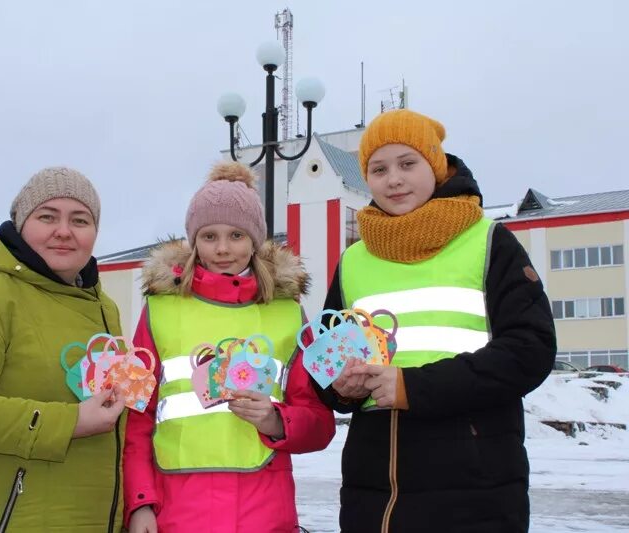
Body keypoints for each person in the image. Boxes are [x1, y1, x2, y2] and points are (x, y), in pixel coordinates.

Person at [322, 109, 556, 532]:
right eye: (379, 169)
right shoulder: (354, 260)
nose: (393, 179)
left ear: (435, 165)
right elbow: (325, 359)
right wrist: (341, 388)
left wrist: (413, 386)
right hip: (372, 491)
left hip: (473, 488)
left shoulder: (488, 241)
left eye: (407, 164)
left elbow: (530, 350)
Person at [123, 161, 336, 533]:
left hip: (264, 507)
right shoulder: (158, 310)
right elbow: (136, 416)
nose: (222, 249)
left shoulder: (287, 313)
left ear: (255, 239)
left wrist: (277, 421)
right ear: (194, 241)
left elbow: (319, 421)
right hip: (177, 507)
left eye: (236, 235)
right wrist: (140, 503)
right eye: (209, 236)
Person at [0, 167, 127, 532]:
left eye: (80, 220)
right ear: (19, 223)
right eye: (47, 216)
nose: (64, 230)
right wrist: (71, 422)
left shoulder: (103, 307)